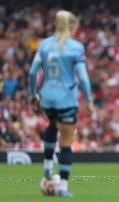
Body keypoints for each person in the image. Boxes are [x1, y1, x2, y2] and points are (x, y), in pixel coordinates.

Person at [29, 10, 94, 197]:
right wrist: (89, 101)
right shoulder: (75, 47)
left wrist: (33, 94)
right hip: (66, 99)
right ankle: (63, 188)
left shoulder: (44, 45)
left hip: (47, 98)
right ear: (71, 26)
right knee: (66, 142)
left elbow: (33, 73)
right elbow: (83, 78)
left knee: (52, 124)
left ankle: (48, 165)